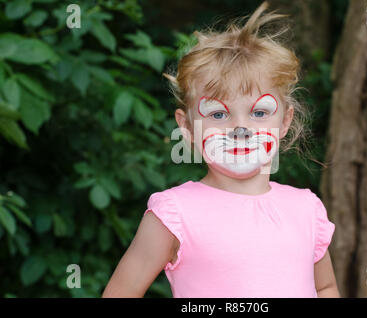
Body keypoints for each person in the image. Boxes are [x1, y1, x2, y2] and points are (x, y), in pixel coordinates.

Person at [102, 1, 340, 298]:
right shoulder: (174, 214)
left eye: (259, 112)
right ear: (187, 126)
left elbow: (325, 286)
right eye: (218, 114)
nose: (240, 129)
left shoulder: (307, 210)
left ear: (285, 121)